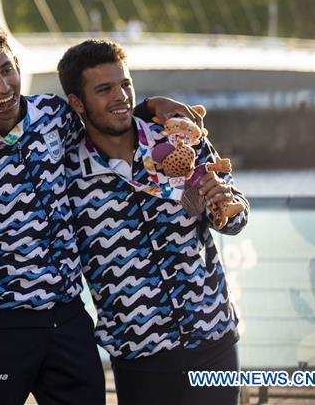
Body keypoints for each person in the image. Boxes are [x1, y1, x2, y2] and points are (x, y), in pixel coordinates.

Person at [0, 24, 204, 405]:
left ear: (17, 65)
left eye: (6, 70)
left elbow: (107, 116)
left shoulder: (54, 114)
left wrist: (151, 105)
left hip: (68, 319)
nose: (2, 86)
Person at [57, 40, 248, 405]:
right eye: (104, 89)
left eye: (125, 85)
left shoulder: (180, 141)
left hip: (213, 336)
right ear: (77, 103)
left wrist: (227, 206)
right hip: (139, 356)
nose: (121, 97)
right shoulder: (66, 174)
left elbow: (236, 214)